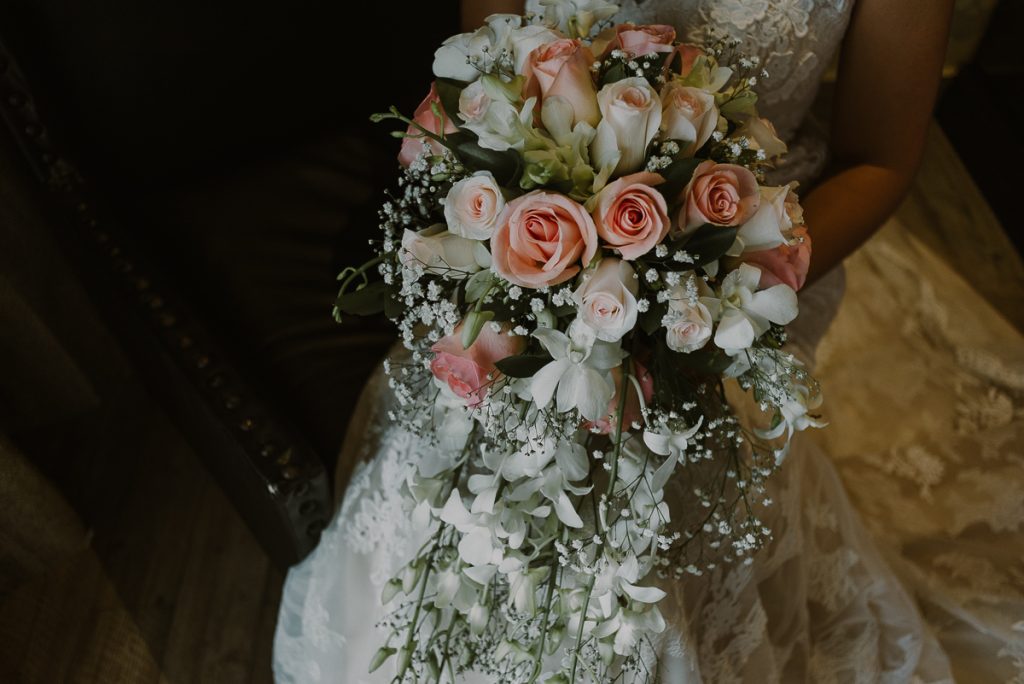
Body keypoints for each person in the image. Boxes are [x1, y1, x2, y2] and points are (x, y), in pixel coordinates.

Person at [273, 1, 1024, 681]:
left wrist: (709, 288)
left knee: (663, 519)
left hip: (740, 271)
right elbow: (484, 68)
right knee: (480, 481)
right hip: (524, 246)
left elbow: (881, 158)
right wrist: (536, 266)